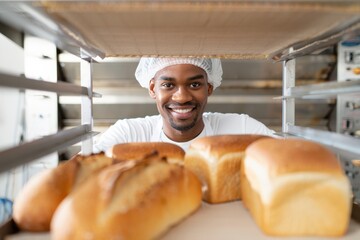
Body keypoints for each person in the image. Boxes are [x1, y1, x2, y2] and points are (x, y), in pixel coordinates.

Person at [93, 57, 274, 152]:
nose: (181, 97)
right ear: (152, 88)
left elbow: (292, 158)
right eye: (168, 85)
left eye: (194, 84)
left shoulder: (241, 129)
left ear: (209, 87)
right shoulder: (129, 135)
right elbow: (78, 172)